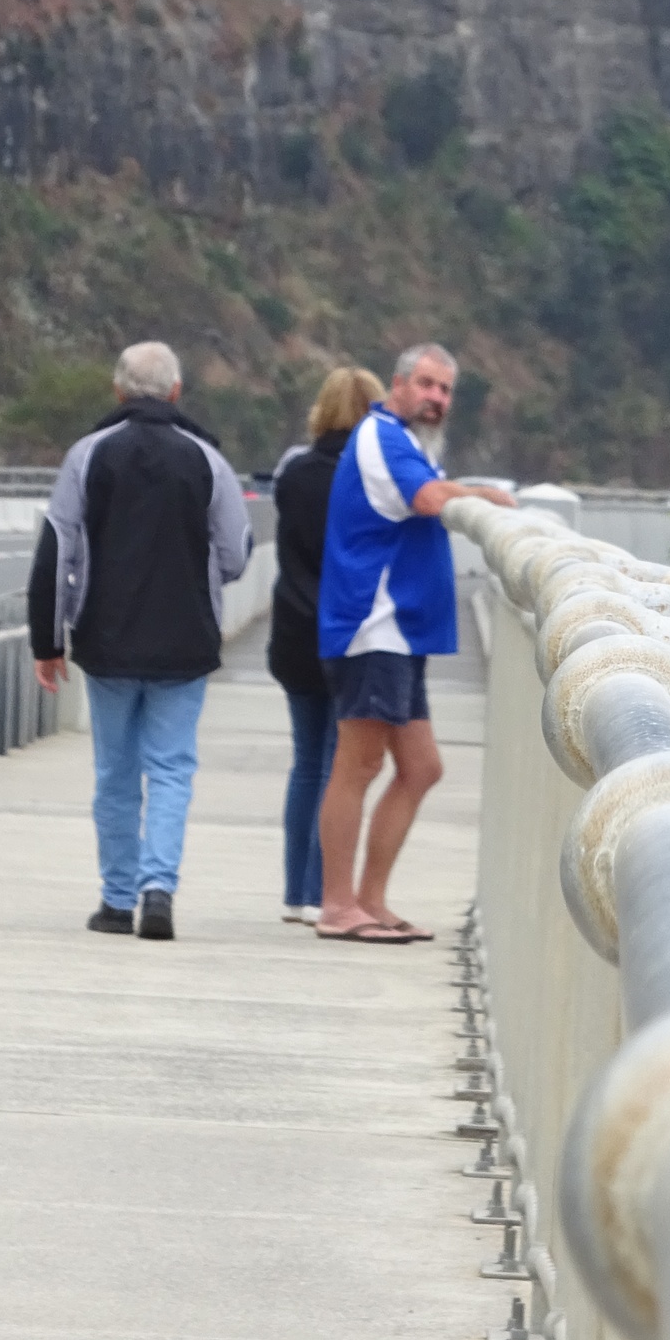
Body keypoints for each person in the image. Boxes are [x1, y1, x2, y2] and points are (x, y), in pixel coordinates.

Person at [28, 340, 252, 942]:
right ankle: (159, 891)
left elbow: (57, 547)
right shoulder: (209, 461)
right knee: (172, 767)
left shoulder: (87, 455)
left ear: (118, 390)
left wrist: (47, 641)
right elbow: (235, 552)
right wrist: (198, 580)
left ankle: (116, 900)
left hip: (107, 639)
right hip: (186, 641)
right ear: (176, 392)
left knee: (115, 773)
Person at [315, 342, 516, 943]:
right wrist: (482, 496)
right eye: (426, 384)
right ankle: (337, 907)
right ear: (397, 385)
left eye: (446, 389)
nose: (436, 398)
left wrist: (461, 489)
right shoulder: (381, 436)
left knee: (422, 768)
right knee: (358, 764)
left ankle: (371, 900)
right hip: (374, 625)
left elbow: (429, 491)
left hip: (401, 633)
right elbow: (426, 499)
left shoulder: (407, 442)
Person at [266, 364, 384, 924]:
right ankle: (324, 892)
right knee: (343, 766)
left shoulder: (293, 476)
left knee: (307, 762)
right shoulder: (374, 481)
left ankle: (297, 892)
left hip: (294, 631)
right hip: (352, 634)